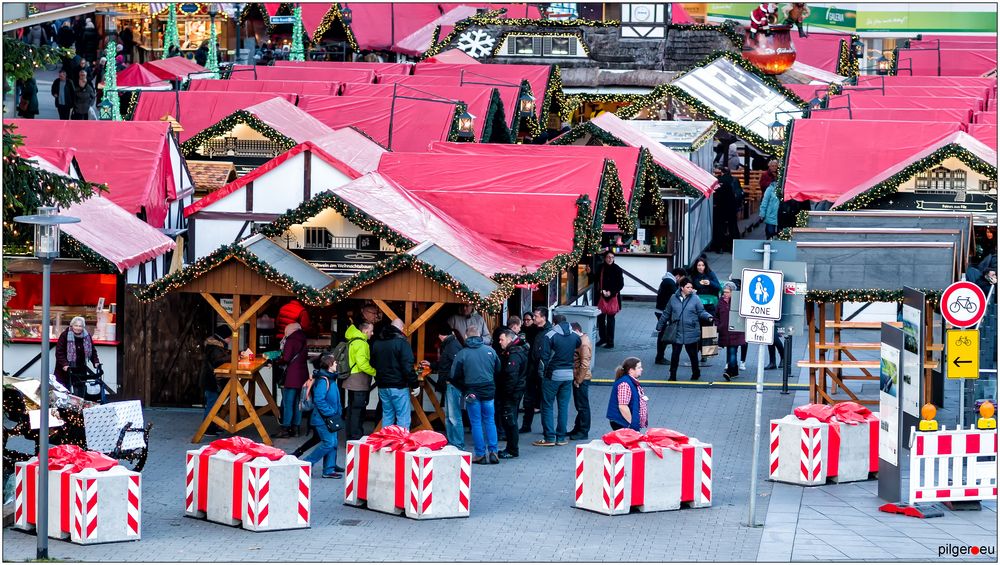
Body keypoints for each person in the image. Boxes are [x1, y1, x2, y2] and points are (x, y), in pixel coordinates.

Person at [450, 325, 500, 464]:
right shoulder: (490, 351)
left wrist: (465, 386)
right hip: (489, 389)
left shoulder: (462, 353)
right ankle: (493, 451)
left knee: (476, 423)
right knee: (490, 420)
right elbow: (498, 369)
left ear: (466, 337)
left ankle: (480, 454)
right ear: (480, 336)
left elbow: (453, 375)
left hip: (472, 391)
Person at [533, 314, 580, 447]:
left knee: (547, 405)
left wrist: (542, 374)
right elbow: (579, 343)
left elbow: (544, 357)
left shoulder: (550, 335)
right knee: (563, 407)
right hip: (568, 375)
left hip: (553, 375)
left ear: (554, 323)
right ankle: (561, 437)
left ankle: (549, 437)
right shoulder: (574, 336)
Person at [658, 278, 714, 381]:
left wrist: (709, 317)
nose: (690, 289)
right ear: (681, 288)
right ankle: (672, 374)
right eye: (688, 287)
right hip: (677, 331)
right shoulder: (673, 298)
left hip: (691, 330)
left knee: (693, 355)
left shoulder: (695, 298)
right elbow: (667, 313)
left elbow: (701, 311)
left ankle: (696, 373)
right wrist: (659, 325)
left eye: (691, 287)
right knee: (675, 355)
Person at [371, 319, 418, 429]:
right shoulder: (402, 343)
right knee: (403, 417)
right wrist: (415, 384)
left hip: (382, 385)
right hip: (398, 386)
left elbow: (372, 363)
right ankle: (401, 444)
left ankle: (387, 443)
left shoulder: (377, 342)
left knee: (387, 415)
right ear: (402, 329)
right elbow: (408, 367)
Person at [303, 353, 343, 478]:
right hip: (323, 419)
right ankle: (306, 463)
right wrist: (330, 412)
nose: (337, 364)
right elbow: (319, 400)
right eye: (335, 362)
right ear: (329, 365)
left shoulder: (330, 378)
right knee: (329, 443)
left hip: (330, 418)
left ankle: (329, 470)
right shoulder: (323, 380)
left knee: (334, 442)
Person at [425, 326, 465, 449]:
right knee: (449, 416)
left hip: (452, 385)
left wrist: (449, 379)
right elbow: (445, 364)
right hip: (450, 384)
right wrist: (431, 364)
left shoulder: (451, 346)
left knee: (453, 416)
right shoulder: (452, 344)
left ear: (441, 335)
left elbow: (457, 366)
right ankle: (453, 442)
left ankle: (457, 444)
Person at [272, 322, 308, 438]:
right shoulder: (303, 338)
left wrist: (277, 361)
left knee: (288, 402)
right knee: (298, 403)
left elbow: (286, 358)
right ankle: (295, 428)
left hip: (292, 376)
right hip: (302, 375)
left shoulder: (291, 340)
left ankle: (285, 428)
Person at [496, 329, 528, 459]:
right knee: (510, 419)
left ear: (509, 339)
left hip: (512, 393)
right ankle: (511, 448)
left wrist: (506, 393)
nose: (500, 342)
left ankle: (512, 449)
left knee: (510, 420)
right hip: (515, 391)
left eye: (502, 339)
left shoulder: (514, 355)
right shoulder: (516, 351)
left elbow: (511, 376)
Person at [343, 321, 376, 441]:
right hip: (359, 381)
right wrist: (375, 372)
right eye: (371, 331)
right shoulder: (362, 344)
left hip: (351, 379)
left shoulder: (352, 340)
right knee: (358, 410)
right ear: (365, 331)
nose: (372, 333)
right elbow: (362, 364)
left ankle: (349, 436)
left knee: (351, 409)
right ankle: (356, 437)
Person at [520, 307, 551, 433]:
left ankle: (547, 429)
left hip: (543, 370)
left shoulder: (549, 332)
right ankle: (526, 425)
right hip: (531, 369)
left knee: (544, 399)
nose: (533, 318)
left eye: (536, 316)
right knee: (528, 399)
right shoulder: (532, 330)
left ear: (543, 318)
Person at [55, 316, 102, 396]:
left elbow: (92, 351)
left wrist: (96, 362)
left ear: (83, 327)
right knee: (64, 390)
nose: (78, 328)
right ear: (71, 326)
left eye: (80, 326)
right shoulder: (65, 335)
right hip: (65, 369)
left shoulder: (87, 336)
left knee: (80, 389)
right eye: (76, 325)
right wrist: (64, 364)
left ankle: (80, 405)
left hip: (80, 367)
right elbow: (59, 352)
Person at [199, 325, 231, 436]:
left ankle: (211, 426)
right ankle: (207, 428)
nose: (230, 339)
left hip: (212, 380)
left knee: (213, 403)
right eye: (229, 337)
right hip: (211, 380)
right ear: (223, 337)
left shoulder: (215, 346)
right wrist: (232, 357)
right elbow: (218, 361)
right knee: (212, 404)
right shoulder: (214, 347)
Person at [655, 268, 687, 364]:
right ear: (678, 276)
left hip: (660, 310)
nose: (681, 281)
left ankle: (660, 356)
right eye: (682, 279)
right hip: (663, 311)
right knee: (664, 335)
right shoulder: (669, 282)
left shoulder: (667, 280)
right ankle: (660, 357)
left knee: (663, 334)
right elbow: (677, 296)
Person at [607, 357, 648, 431]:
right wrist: (632, 425)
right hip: (623, 424)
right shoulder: (625, 384)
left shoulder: (631, 381)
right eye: (639, 367)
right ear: (631, 370)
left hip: (626, 423)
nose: (641, 369)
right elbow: (623, 406)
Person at [594, 251, 625, 349]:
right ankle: (603, 338)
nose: (610, 259)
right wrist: (590, 272)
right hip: (601, 297)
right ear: (605, 258)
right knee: (601, 319)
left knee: (611, 320)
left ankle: (610, 342)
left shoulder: (617, 269)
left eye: (612, 257)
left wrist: (611, 292)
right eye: (608, 257)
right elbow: (595, 279)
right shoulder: (601, 268)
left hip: (612, 297)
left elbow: (620, 284)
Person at [568, 322, 592, 440]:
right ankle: (578, 428)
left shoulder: (583, 344)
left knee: (582, 406)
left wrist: (578, 380)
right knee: (580, 405)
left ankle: (583, 431)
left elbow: (584, 363)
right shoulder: (582, 341)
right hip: (580, 376)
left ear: (576, 331)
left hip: (581, 378)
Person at [717, 283, 746, 381]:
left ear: (733, 293)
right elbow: (716, 315)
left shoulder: (738, 302)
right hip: (725, 331)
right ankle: (734, 371)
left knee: (732, 351)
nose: (725, 294)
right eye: (724, 292)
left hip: (735, 332)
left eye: (727, 292)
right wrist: (718, 325)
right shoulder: (721, 302)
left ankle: (729, 372)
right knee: (730, 351)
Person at [713, 167, 742, 253]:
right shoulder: (734, 180)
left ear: (721, 172)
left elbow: (715, 194)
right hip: (731, 207)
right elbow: (739, 193)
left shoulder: (718, 181)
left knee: (719, 227)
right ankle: (733, 248)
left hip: (720, 207)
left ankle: (719, 247)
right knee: (732, 227)